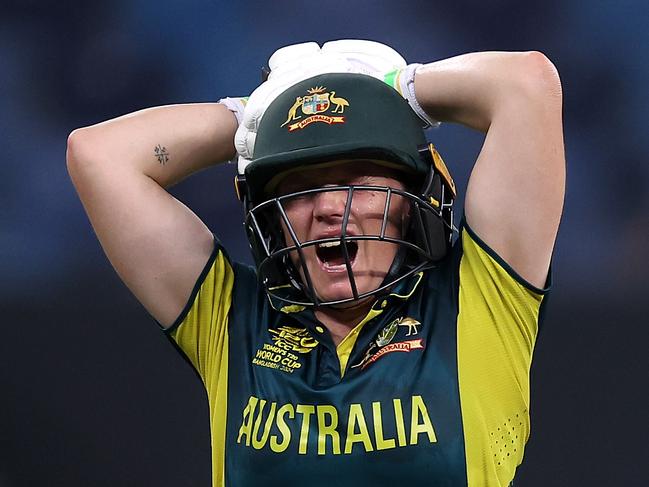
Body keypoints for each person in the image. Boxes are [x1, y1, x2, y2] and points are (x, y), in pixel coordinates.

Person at [67, 40, 564, 487]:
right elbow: (98, 155)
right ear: (273, 220)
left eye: (356, 182)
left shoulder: (478, 299)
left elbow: (526, 85)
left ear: (413, 201)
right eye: (301, 189)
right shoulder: (231, 320)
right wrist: (263, 118)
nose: (329, 208)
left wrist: (395, 91)